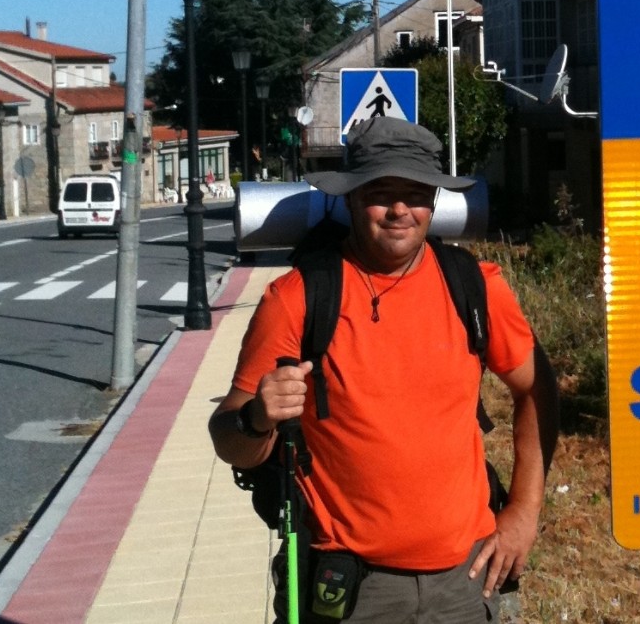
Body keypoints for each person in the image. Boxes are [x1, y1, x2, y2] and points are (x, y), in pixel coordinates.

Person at [210, 117, 559, 622]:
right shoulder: (297, 299)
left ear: (434, 201)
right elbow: (229, 439)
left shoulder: (475, 286)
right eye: (380, 192)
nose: (399, 209)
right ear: (350, 198)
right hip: (351, 591)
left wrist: (524, 514)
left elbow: (538, 390)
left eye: (415, 193)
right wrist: (256, 419)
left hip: (465, 581)